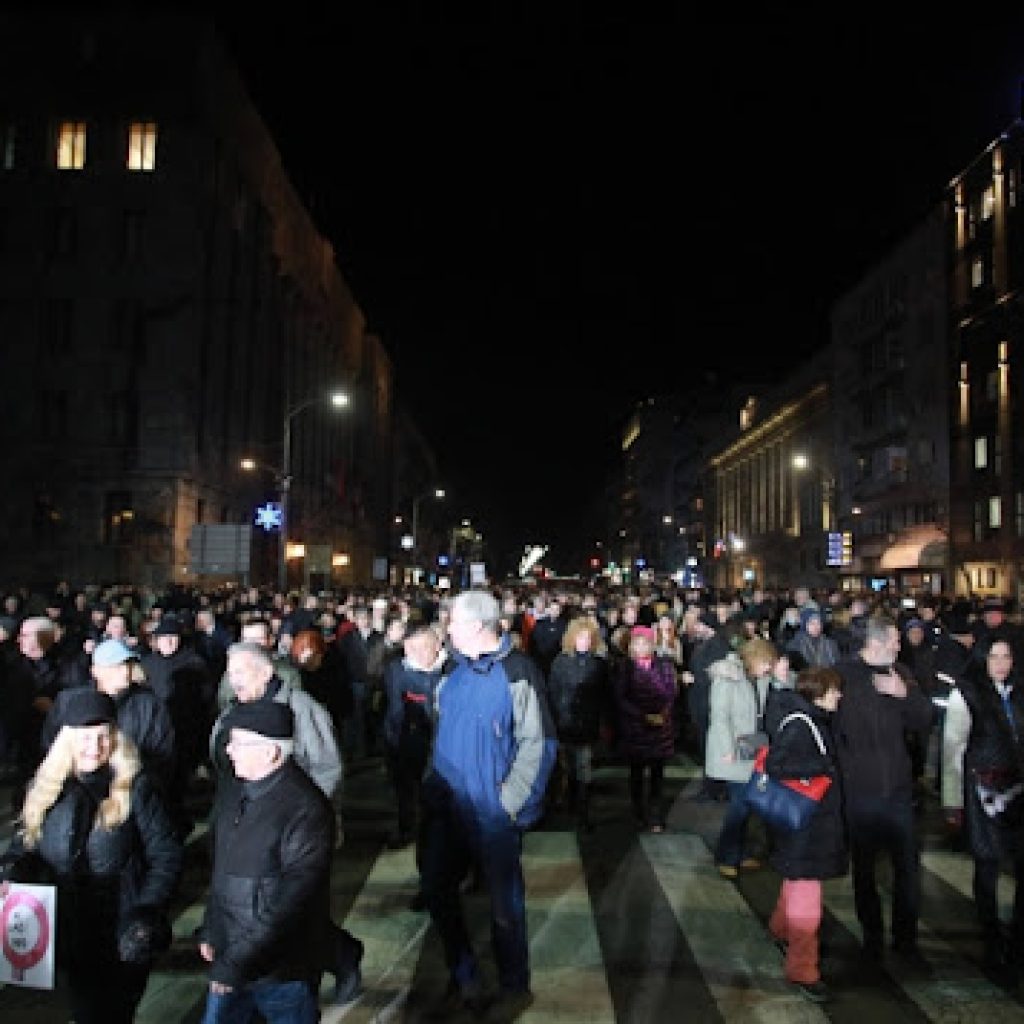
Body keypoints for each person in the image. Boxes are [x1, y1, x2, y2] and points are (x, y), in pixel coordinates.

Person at [0, 689, 183, 1024]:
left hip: (120, 926)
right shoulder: (48, 787)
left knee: (107, 1014)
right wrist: (12, 872)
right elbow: (26, 844)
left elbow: (166, 853)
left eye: (103, 737)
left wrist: (147, 909)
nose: (94, 747)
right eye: (84, 738)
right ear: (66, 740)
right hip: (69, 926)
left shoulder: (136, 786)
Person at [419, 588, 556, 1016]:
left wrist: (508, 804)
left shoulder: (518, 672)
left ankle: (514, 984)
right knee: (437, 889)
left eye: (453, 623)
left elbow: (539, 744)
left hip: (490, 813)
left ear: (477, 626)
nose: (446, 631)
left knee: (504, 907)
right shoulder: (452, 672)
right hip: (447, 810)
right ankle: (464, 974)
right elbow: (439, 732)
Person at [209, 641, 362, 1004]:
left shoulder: (301, 708)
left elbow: (328, 767)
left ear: (266, 673)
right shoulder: (235, 709)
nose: (233, 682)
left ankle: (341, 957)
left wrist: (304, 819)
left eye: (241, 674)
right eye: (230, 674)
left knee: (294, 910)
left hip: (292, 830)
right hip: (244, 816)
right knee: (254, 906)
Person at [198, 701, 335, 1023]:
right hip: (233, 953)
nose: (229, 750)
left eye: (239, 743)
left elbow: (292, 900)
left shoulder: (305, 809)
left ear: (272, 752)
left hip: (280, 969)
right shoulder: (236, 790)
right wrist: (211, 929)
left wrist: (235, 963)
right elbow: (222, 871)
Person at [834, 614, 933, 960]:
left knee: (907, 869)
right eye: (893, 640)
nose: (898, 645)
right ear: (873, 643)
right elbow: (823, 719)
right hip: (859, 792)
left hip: (898, 791)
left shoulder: (901, 674)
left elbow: (924, 720)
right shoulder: (842, 676)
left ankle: (906, 941)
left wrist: (904, 694)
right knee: (864, 871)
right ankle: (872, 937)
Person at [765, 666, 847, 1004]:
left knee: (797, 880)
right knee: (807, 896)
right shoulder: (803, 725)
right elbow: (777, 766)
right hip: (808, 826)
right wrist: (822, 768)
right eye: (834, 690)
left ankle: (780, 929)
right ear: (820, 692)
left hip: (805, 824)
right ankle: (802, 969)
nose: (839, 695)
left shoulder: (807, 719)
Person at [942, 639, 1024, 977]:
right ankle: (990, 938)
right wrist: (952, 800)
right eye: (995, 657)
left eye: (1007, 656)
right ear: (982, 659)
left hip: (1020, 790)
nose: (1002, 663)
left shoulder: (1018, 691)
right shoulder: (967, 692)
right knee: (987, 864)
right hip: (983, 791)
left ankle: (1018, 937)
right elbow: (953, 749)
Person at [41, 636, 176, 796]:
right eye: (116, 666)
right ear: (96, 671)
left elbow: (163, 752)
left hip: (130, 791)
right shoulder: (70, 701)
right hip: (80, 791)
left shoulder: (150, 705)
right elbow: (52, 745)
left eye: (127, 665)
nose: (125, 671)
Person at [706, 636, 790, 878]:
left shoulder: (759, 679)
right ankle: (727, 855)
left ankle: (738, 853)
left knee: (746, 804)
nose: (769, 668)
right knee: (739, 806)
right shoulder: (728, 677)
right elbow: (720, 716)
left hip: (753, 748)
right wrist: (726, 749)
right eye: (767, 663)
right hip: (734, 750)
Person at [381, 622, 449, 850]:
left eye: (422, 648)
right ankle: (407, 828)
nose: (416, 655)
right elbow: (393, 712)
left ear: (438, 646)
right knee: (405, 792)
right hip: (409, 743)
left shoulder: (452, 669)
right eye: (411, 649)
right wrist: (392, 747)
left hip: (443, 745)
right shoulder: (396, 670)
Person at [545, 614, 609, 832]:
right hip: (565, 722)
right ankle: (570, 804)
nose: (585, 641)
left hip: (587, 723)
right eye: (581, 637)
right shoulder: (561, 662)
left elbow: (604, 695)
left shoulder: (599, 664)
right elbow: (552, 693)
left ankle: (582, 813)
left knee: (583, 767)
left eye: (589, 637)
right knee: (567, 767)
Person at [611, 624, 678, 832]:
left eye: (644, 643)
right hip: (636, 728)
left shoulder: (664, 665)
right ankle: (638, 811)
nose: (640, 647)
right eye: (637, 643)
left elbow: (671, 691)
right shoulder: (625, 667)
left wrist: (663, 713)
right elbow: (620, 698)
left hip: (660, 728)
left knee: (657, 776)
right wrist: (642, 716)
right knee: (637, 774)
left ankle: (655, 814)